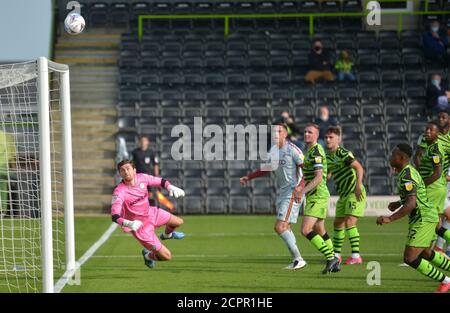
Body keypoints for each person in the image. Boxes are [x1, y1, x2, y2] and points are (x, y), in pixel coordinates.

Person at [377, 144, 450, 293]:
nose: (391, 157)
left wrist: (390, 219)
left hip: (423, 218)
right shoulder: (409, 172)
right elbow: (414, 196)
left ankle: (446, 281)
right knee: (425, 253)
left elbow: (411, 203)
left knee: (409, 258)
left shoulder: (407, 175)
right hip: (426, 216)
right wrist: (398, 202)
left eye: (393, 155)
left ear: (401, 158)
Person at [239, 124, 307, 270]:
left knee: (280, 227)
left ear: (285, 134)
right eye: (274, 131)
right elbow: (267, 168)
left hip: (292, 192)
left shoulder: (293, 150)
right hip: (283, 192)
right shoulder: (273, 151)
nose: (275, 133)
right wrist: (249, 177)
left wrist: (300, 187)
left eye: (279, 131)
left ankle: (299, 259)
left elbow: (307, 170)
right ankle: (297, 260)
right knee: (286, 227)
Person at [111, 159, 185, 269]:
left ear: (134, 170)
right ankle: (148, 256)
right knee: (167, 256)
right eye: (122, 170)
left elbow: (160, 181)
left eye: (128, 169)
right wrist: (128, 223)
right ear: (120, 174)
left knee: (178, 222)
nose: (126, 172)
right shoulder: (119, 191)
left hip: (151, 213)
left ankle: (166, 235)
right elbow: (114, 215)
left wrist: (170, 187)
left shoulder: (142, 178)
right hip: (140, 227)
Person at [296, 123, 340, 274]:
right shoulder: (308, 151)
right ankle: (335, 260)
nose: (306, 134)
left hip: (317, 195)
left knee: (305, 229)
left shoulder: (316, 151)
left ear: (316, 135)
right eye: (305, 131)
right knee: (319, 228)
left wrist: (302, 191)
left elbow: (319, 177)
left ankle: (331, 258)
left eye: (310, 132)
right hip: (316, 195)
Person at [325, 126, 366, 265]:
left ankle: (356, 256)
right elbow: (328, 173)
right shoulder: (327, 157)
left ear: (338, 139)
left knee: (350, 222)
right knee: (338, 223)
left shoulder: (343, 153)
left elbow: (359, 167)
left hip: (354, 192)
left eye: (331, 137)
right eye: (326, 137)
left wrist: (358, 186)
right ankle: (336, 255)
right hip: (343, 195)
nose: (328, 140)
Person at [415, 111, 450, 252]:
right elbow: (418, 155)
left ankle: (428, 250)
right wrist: (421, 172)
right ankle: (433, 250)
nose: (441, 119)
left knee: (431, 220)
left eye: (444, 117)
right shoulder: (428, 140)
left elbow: (438, 171)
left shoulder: (440, 144)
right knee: (437, 220)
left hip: (436, 184)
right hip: (435, 184)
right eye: (439, 116)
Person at [131, 135, 160, 206]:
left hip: (148, 176)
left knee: (150, 193)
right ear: (139, 142)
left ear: (147, 142)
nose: (143, 142)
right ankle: (139, 209)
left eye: (144, 141)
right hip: (138, 176)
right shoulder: (135, 152)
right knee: (138, 193)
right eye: (141, 141)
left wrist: (157, 176)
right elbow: (131, 165)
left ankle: (151, 209)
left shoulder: (151, 152)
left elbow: (155, 164)